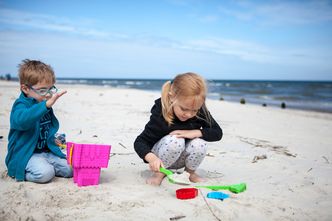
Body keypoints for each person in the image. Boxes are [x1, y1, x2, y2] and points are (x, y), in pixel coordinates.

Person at [134, 72, 222, 185]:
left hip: (182, 158)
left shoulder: (199, 111)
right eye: (184, 109)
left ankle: (189, 174)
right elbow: (140, 142)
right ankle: (159, 174)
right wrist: (152, 158)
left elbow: (217, 133)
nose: (189, 114)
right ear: (172, 97)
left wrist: (195, 132)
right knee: (175, 140)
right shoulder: (161, 113)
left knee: (200, 143)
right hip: (161, 158)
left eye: (194, 110)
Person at [5, 59, 73, 183]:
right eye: (42, 90)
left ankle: (48, 166)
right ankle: (21, 172)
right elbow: (22, 121)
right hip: (26, 154)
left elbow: (45, 128)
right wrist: (45, 106)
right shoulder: (21, 105)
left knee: (70, 169)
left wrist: (52, 139)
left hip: (45, 151)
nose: (48, 94)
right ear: (25, 89)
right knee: (45, 174)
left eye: (50, 89)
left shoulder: (42, 102)